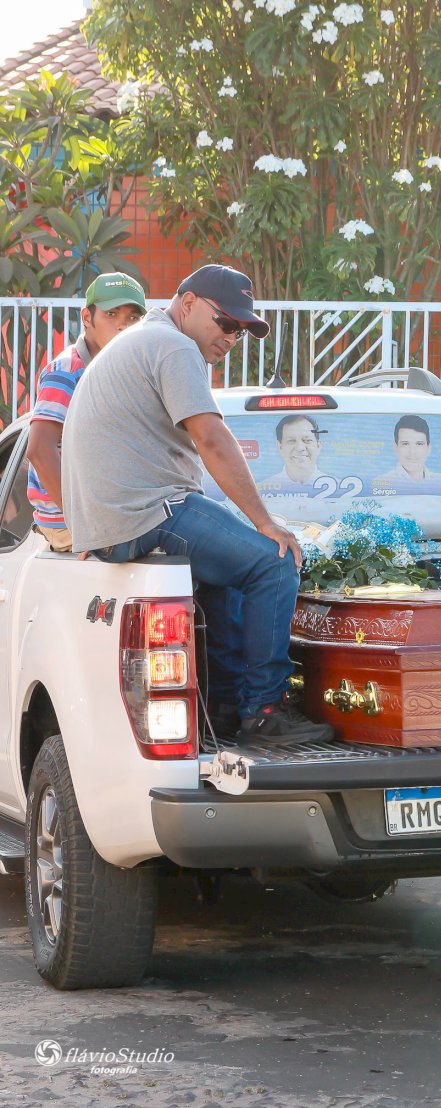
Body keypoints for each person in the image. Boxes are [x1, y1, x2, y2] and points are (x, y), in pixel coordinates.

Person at [61, 263, 334, 746]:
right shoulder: (173, 345)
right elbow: (212, 438)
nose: (231, 337)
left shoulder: (142, 340)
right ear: (186, 303)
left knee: (229, 575)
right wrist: (267, 523)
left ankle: (227, 706)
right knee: (274, 562)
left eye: (241, 330)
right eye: (225, 322)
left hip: (117, 519)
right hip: (147, 510)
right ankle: (266, 709)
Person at [27, 272, 147, 551]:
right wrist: (83, 526)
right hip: (68, 523)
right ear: (86, 318)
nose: (122, 326)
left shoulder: (121, 370)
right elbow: (39, 449)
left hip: (107, 514)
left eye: (132, 318)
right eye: (111, 314)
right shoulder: (68, 370)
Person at [372, 414, 441, 495]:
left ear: (429, 448)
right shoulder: (380, 483)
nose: (412, 452)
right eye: (405, 444)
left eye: (419, 444)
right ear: (396, 447)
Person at [260, 414, 331, 492]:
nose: (300, 448)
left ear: (318, 446)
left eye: (307, 440)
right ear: (280, 447)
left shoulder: (340, 488)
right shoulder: (261, 490)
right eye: (291, 441)